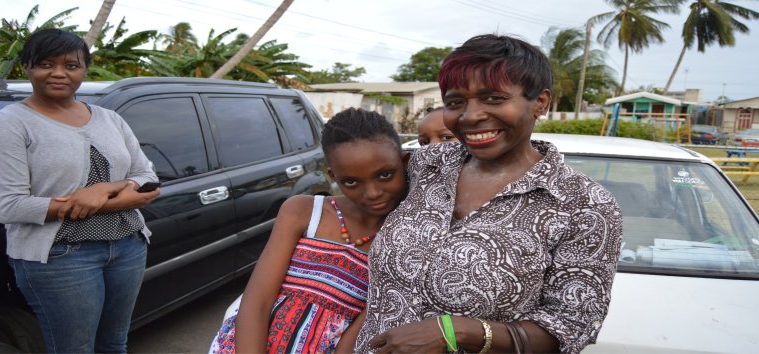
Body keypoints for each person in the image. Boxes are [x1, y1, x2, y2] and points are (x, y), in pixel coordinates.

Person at [354, 34, 623, 354]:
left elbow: (569, 328)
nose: (470, 116)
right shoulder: (425, 165)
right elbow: (359, 196)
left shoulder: (584, 205)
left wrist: (456, 332)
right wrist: (301, 211)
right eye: (455, 102)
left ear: (541, 102)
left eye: (493, 98)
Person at [0, 29, 159, 353]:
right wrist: (110, 202)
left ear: (83, 70)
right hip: (61, 256)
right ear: (26, 66)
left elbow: (146, 174)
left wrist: (106, 189)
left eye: (70, 65)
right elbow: (8, 206)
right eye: (45, 64)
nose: (58, 73)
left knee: (115, 344)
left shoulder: (110, 119)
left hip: (128, 246)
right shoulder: (9, 123)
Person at [209, 108, 408, 354]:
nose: (373, 193)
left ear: (405, 161)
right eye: (351, 182)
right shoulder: (303, 211)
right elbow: (257, 300)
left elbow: (370, 317)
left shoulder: (407, 230)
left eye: (385, 175)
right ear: (333, 176)